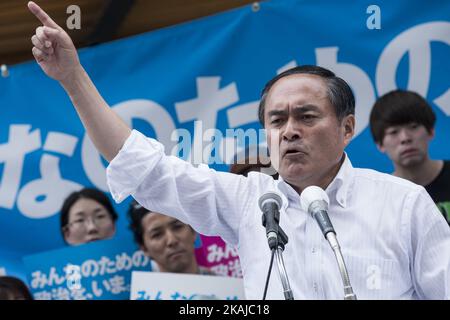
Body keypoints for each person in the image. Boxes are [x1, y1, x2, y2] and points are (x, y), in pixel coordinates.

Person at [28, 2, 450, 299]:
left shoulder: (403, 203)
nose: (289, 132)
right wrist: (73, 78)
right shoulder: (249, 200)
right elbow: (144, 168)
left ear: (347, 128)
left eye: (306, 116)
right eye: (277, 121)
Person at [370, 90, 450, 225]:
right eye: (393, 132)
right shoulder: (378, 199)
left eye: (413, 127)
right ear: (380, 144)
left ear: (431, 131)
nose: (405, 138)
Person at [127, 200, 213, 275]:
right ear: (144, 248)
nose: (172, 240)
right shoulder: (139, 293)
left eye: (177, 227)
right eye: (157, 234)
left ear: (194, 230)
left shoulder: (223, 288)